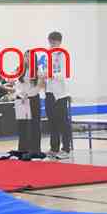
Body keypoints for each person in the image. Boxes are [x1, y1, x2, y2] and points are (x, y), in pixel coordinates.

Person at [42, 31, 72, 159]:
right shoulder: (48, 55)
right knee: (52, 121)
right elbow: (45, 71)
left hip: (60, 94)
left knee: (63, 122)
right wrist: (42, 75)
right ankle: (54, 148)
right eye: (50, 42)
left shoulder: (63, 55)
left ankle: (66, 149)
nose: (52, 44)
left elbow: (64, 74)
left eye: (54, 42)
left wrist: (50, 75)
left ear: (59, 42)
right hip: (49, 92)